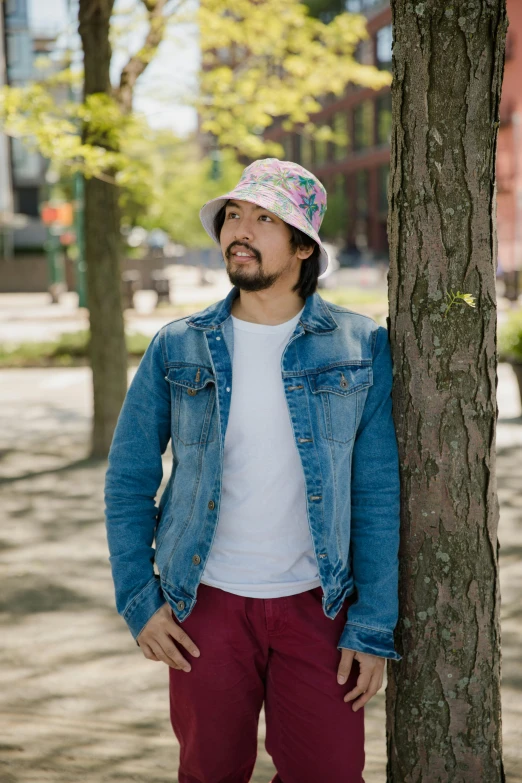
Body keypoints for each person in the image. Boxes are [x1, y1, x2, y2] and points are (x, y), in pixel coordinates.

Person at [104, 158, 402, 783]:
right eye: (234, 215)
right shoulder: (178, 344)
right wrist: (140, 600)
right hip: (203, 606)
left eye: (265, 219)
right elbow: (129, 477)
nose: (241, 229)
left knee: (330, 773)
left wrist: (372, 625)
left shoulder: (359, 346)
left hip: (321, 609)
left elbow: (376, 492)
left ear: (302, 247)